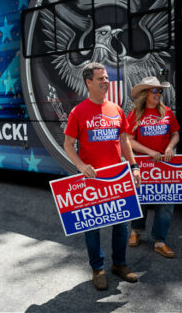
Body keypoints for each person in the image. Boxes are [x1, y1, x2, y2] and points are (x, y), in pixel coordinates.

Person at [63, 62, 141, 291]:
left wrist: (134, 166)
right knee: (93, 228)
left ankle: (119, 265)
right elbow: (68, 144)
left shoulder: (116, 109)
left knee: (121, 226)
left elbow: (125, 140)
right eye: (100, 78)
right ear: (89, 82)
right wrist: (80, 165)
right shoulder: (78, 112)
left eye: (106, 77)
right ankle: (98, 269)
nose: (106, 81)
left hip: (117, 178)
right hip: (93, 180)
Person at [126, 76, 180, 258]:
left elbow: (175, 134)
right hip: (143, 165)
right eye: (154, 91)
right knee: (141, 199)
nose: (158, 94)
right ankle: (135, 230)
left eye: (160, 91)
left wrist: (170, 147)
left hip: (165, 166)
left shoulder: (167, 112)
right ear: (145, 94)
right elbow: (129, 141)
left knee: (166, 203)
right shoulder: (135, 115)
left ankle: (160, 241)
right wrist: (149, 152)